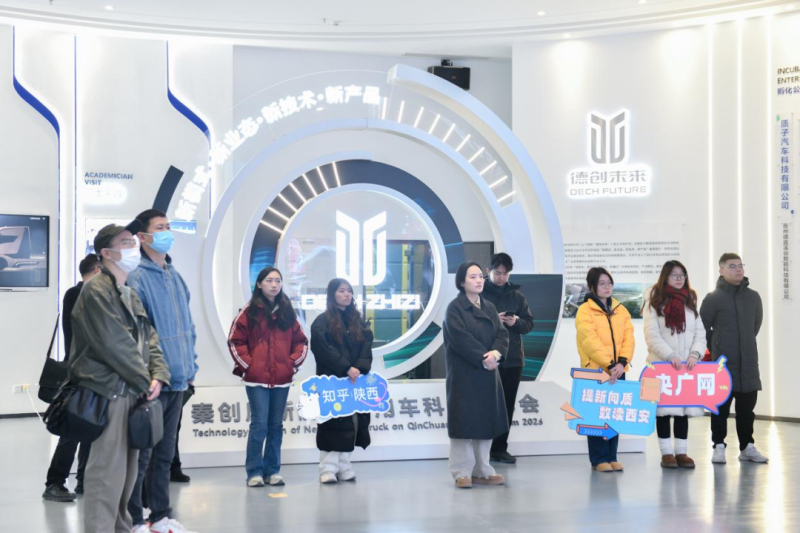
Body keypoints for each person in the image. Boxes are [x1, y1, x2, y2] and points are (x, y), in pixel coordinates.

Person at [68, 222, 170, 533]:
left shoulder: (128, 292)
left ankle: (121, 528)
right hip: (108, 392)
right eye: (125, 243)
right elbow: (115, 344)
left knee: (127, 473)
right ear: (107, 253)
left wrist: (158, 374)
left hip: (131, 391)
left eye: (133, 242)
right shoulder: (96, 290)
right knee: (106, 473)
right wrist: (144, 380)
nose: (133, 247)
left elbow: (150, 338)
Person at [126, 209, 199, 533]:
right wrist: (148, 375)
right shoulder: (137, 278)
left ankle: (160, 516)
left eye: (168, 226)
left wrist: (191, 365)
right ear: (143, 237)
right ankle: (134, 518)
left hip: (179, 381)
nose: (167, 232)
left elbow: (188, 326)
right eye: (160, 228)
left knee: (165, 455)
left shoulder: (175, 275)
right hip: (153, 383)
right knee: (141, 456)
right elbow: (139, 334)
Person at [228, 267, 308, 487]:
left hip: (282, 379)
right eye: (269, 280)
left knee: (275, 426)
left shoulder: (287, 311)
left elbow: (301, 341)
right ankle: (254, 472)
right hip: (257, 379)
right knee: (259, 424)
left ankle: (273, 471)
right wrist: (249, 366)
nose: (274, 285)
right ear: (259, 284)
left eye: (278, 281)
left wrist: (291, 364)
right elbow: (235, 341)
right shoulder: (248, 312)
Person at [443, 262, 509, 489]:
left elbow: (502, 334)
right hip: (465, 374)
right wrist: (483, 357)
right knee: (463, 424)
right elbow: (460, 339)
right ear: (462, 282)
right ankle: (461, 471)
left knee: (485, 422)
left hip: (488, 372)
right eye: (473, 277)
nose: (479, 280)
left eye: (481, 276)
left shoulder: (489, 307)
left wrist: (495, 353)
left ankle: (483, 470)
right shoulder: (454, 308)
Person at [42, 253, 101, 502]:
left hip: (92, 372)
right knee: (73, 430)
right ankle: (55, 483)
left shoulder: (83, 294)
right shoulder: (78, 294)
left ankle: (84, 480)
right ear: (97, 269)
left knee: (89, 428)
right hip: (80, 372)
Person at [700, 253, 768, 464]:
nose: (738, 269)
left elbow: (755, 326)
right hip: (723, 363)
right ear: (721, 270)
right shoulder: (713, 298)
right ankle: (718, 446)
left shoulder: (753, 297)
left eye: (740, 265)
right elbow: (703, 328)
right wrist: (717, 346)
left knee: (747, 409)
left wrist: (744, 344)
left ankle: (747, 447)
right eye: (732, 266)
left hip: (748, 362)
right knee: (720, 408)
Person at [642, 260, 706, 469]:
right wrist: (669, 355)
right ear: (665, 277)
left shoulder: (690, 299)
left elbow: (700, 332)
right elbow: (651, 334)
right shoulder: (654, 300)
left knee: (683, 411)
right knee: (663, 411)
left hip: (686, 366)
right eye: (674, 275)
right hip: (661, 365)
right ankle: (666, 453)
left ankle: (682, 452)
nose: (679, 279)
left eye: (682, 275)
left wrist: (695, 353)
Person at [310, 278, 373, 484]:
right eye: (341, 291)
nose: (346, 294)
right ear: (332, 295)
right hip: (332, 382)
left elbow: (366, 348)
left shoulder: (358, 321)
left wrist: (358, 369)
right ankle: (327, 469)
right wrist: (345, 367)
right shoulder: (322, 321)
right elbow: (323, 349)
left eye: (349, 291)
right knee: (332, 424)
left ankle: (345, 466)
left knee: (353, 423)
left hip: (354, 381)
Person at [575, 267, 634, 473]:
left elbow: (629, 338)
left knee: (614, 414)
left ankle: (611, 456)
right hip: (596, 371)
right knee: (596, 416)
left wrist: (622, 362)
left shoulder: (620, 309)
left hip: (618, 370)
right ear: (592, 286)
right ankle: (598, 458)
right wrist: (609, 364)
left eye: (609, 283)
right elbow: (589, 341)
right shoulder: (585, 310)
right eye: (602, 283)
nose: (607, 287)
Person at [481, 253, 534, 464]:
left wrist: (516, 322)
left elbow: (529, 324)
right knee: (485, 404)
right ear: (488, 271)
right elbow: (471, 323)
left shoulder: (517, 296)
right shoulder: (478, 292)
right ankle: (481, 449)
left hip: (512, 359)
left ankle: (499, 449)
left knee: (507, 405)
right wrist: (495, 320)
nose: (502, 277)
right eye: (498, 273)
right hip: (486, 357)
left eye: (505, 273)